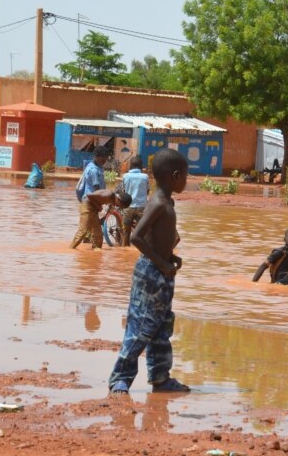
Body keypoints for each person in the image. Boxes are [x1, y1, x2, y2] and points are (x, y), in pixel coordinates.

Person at [108, 148, 190, 394]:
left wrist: (171, 257)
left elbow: (156, 239)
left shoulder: (168, 202)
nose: (187, 181)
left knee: (162, 328)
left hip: (162, 274)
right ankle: (119, 379)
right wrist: (161, 263)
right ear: (175, 176)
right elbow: (136, 237)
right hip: (151, 274)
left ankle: (160, 377)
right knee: (140, 328)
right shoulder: (157, 203)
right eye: (185, 176)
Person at [120, 156, 149, 247]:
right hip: (141, 207)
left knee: (126, 232)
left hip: (128, 207)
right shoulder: (145, 177)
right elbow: (147, 191)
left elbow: (123, 191)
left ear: (130, 166)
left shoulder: (126, 176)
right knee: (141, 233)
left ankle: (125, 249)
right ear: (141, 166)